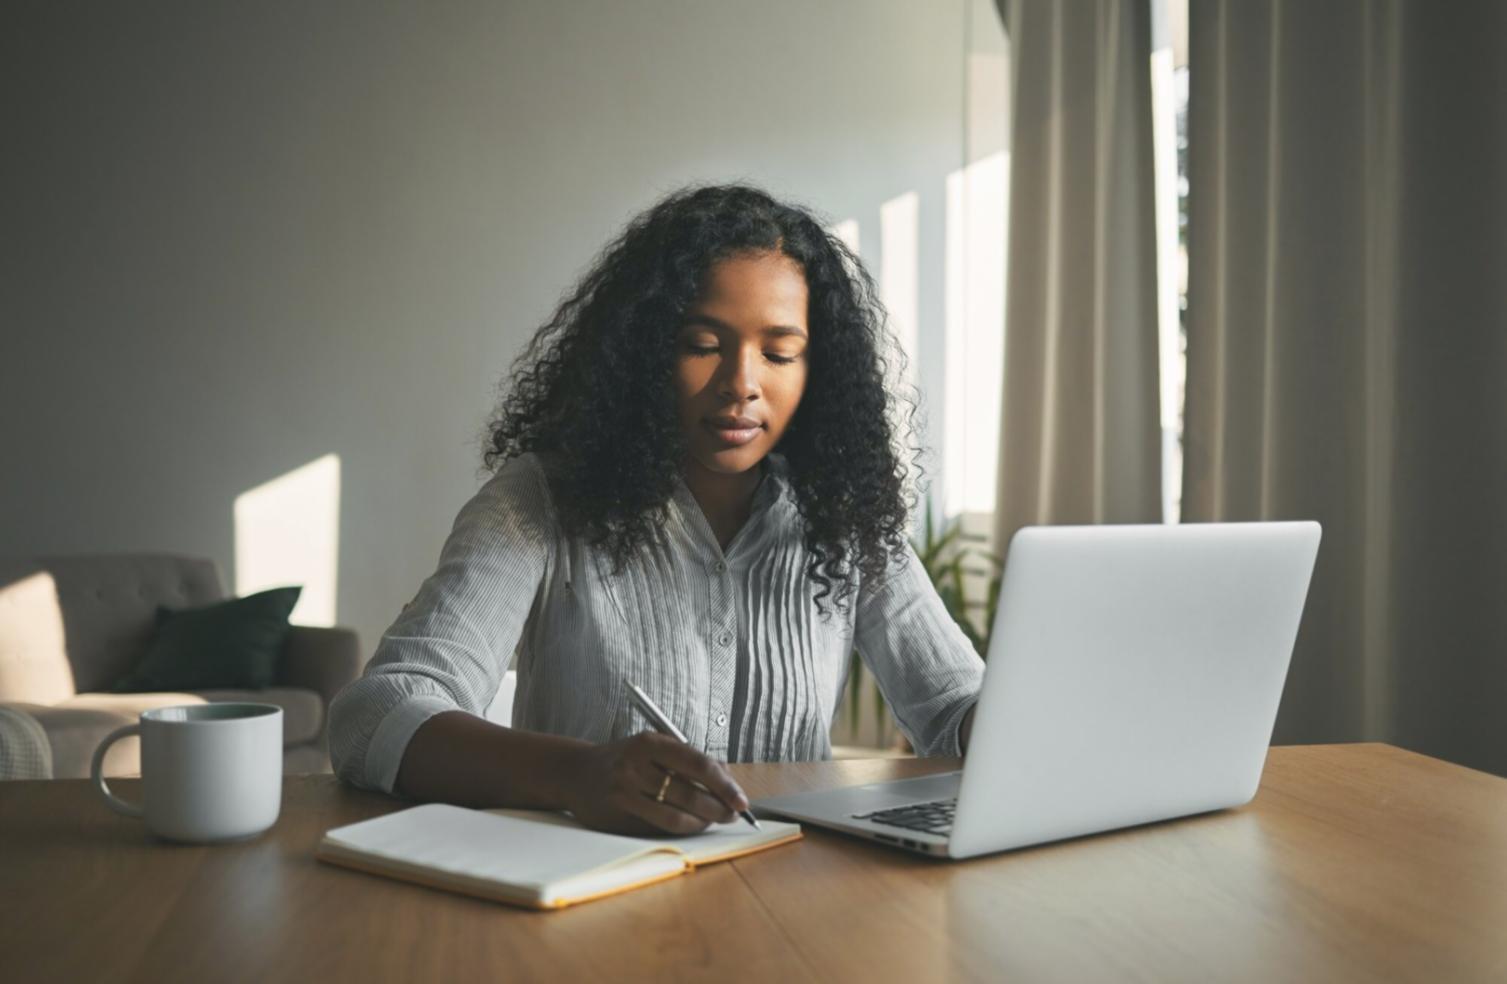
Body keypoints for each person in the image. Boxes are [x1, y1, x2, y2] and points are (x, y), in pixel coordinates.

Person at [328, 183, 984, 836]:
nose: (741, 384)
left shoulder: (842, 520)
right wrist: (575, 774)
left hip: (787, 898)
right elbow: (375, 714)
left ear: (819, 370)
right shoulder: (539, 503)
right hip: (586, 895)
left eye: (779, 353)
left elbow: (955, 705)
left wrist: (1003, 725)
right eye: (701, 344)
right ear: (642, 353)